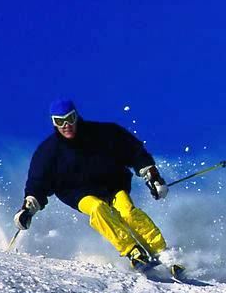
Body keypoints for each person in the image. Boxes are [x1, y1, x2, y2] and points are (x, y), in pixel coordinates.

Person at [13, 98, 180, 275]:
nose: (66, 125)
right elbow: (37, 182)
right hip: (77, 193)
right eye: (60, 122)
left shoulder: (104, 134)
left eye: (69, 119)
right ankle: (133, 251)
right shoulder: (48, 152)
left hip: (112, 186)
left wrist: (152, 176)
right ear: (54, 123)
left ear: (76, 116)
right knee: (97, 208)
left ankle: (162, 252)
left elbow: (134, 152)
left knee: (127, 211)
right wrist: (27, 209)